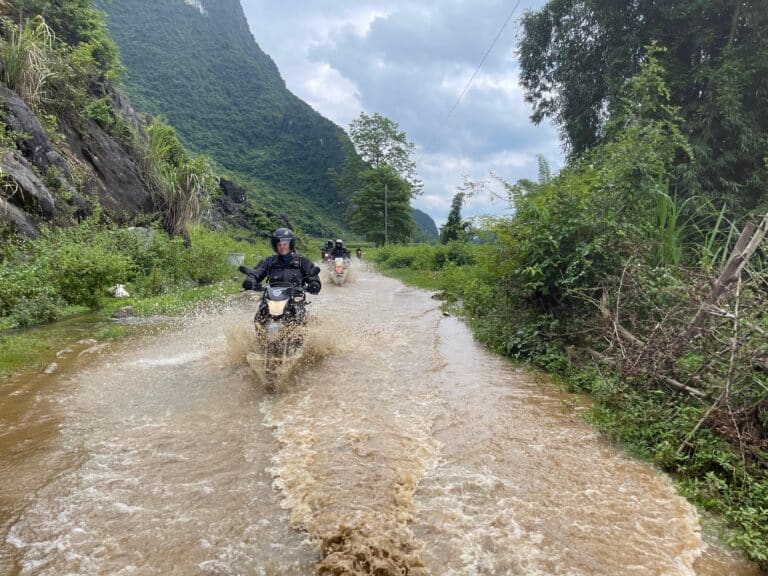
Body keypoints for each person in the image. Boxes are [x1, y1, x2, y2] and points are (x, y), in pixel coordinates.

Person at [240, 228, 321, 294]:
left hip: (295, 298)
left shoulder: (302, 261)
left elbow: (313, 277)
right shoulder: (270, 260)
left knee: (299, 312)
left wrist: (314, 284)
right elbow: (257, 272)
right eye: (279, 244)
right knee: (261, 311)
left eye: (285, 244)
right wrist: (250, 281)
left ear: (291, 245)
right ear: (275, 246)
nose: (282, 247)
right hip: (272, 297)